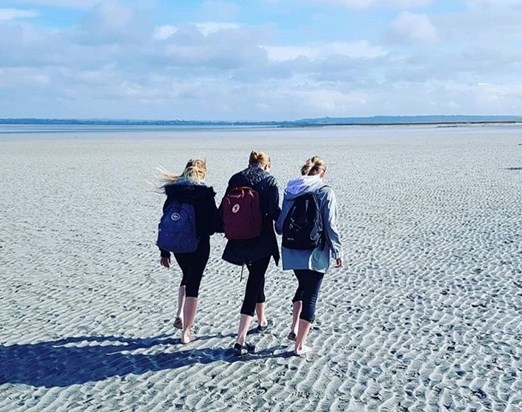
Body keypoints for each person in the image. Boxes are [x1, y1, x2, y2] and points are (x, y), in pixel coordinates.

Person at [275, 156, 343, 356]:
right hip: (315, 251)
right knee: (311, 295)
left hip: (292, 251)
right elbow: (330, 225)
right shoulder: (325, 191)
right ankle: (299, 345)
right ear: (323, 173)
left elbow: (280, 226)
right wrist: (338, 251)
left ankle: (295, 329)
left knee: (303, 287)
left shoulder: (291, 190)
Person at [221, 151, 281, 355]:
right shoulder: (269, 181)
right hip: (261, 239)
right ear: (266, 165)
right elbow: (274, 212)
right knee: (254, 282)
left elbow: (225, 208)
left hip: (238, 239)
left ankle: (262, 320)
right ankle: (240, 339)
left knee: (257, 277)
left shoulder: (236, 178)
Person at [158, 159, 221, 344]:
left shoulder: (174, 192)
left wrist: (164, 251)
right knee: (194, 283)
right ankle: (186, 332)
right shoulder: (204, 194)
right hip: (199, 244)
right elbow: (212, 224)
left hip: (177, 244)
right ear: (203, 173)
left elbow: (166, 220)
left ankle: (179, 314)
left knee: (186, 275)